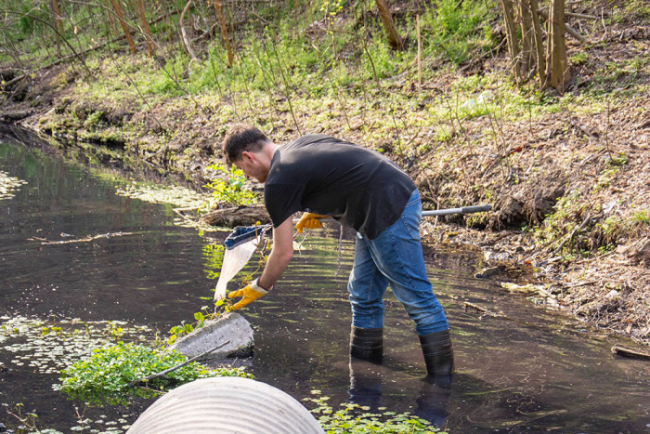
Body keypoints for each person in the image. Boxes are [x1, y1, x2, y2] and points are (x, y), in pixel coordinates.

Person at [222, 123, 454, 377]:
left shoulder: (278, 180)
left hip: (389, 206)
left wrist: (260, 287)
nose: (246, 175)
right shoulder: (302, 144)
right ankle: (365, 373)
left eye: (241, 168)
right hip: (380, 201)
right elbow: (347, 172)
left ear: (248, 156)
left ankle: (442, 386)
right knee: (362, 295)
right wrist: (317, 209)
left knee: (417, 299)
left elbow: (283, 252)